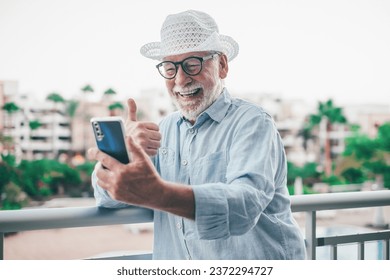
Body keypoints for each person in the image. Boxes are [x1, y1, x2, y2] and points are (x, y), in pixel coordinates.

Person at [88, 9, 306, 260]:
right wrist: (125, 153)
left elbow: (244, 206)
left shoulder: (253, 123)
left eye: (193, 64)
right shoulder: (163, 130)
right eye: (170, 67)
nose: (181, 79)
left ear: (222, 65)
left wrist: (157, 193)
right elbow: (108, 199)